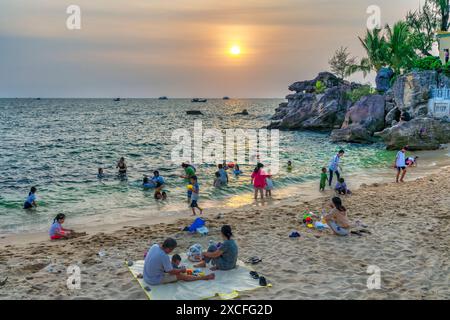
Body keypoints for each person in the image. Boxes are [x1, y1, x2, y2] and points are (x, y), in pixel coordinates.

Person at [143, 238, 215, 285]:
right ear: (169, 248)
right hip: (152, 280)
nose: (171, 251)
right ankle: (203, 277)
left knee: (177, 271)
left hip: (146, 275)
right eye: (172, 249)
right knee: (180, 276)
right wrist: (181, 270)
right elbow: (171, 271)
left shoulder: (154, 246)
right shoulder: (164, 256)